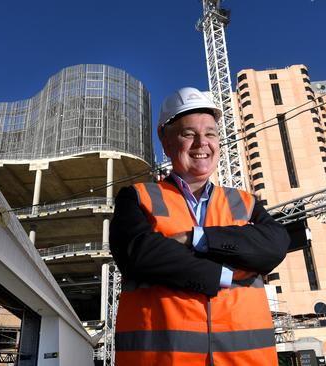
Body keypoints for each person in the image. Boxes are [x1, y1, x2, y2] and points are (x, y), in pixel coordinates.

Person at [109, 87, 291, 365]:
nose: (201, 143)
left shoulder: (244, 202)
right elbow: (141, 256)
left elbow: (275, 245)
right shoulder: (137, 197)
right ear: (165, 140)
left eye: (210, 133)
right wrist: (226, 274)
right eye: (188, 134)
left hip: (246, 360)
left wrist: (196, 237)